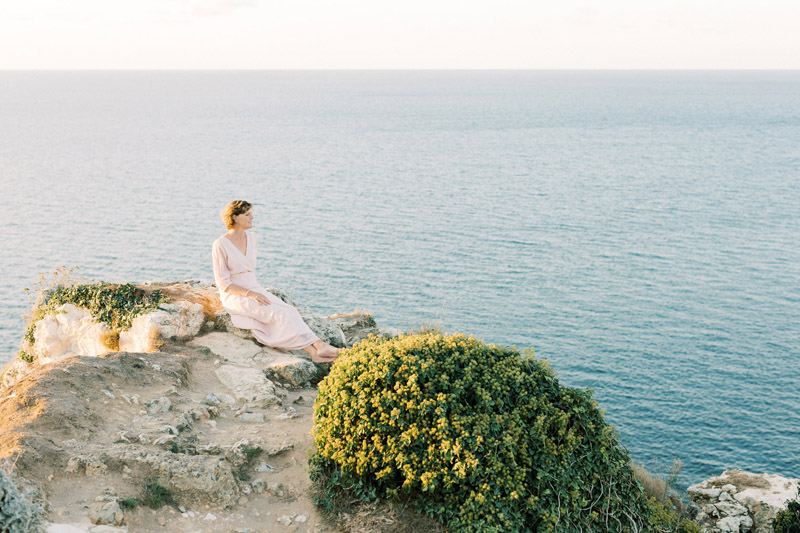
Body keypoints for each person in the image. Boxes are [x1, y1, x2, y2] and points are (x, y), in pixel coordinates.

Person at [212, 200, 340, 363]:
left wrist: (254, 291)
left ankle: (315, 352)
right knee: (278, 313)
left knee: (289, 311)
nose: (252, 217)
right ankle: (318, 346)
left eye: (251, 214)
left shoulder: (252, 238)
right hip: (236, 294)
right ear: (235, 217)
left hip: (255, 288)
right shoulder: (220, 244)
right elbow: (224, 284)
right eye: (247, 214)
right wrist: (249, 294)